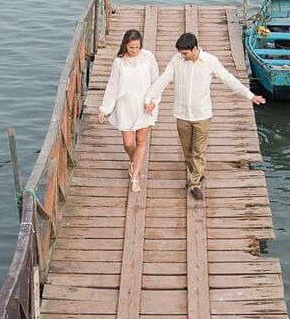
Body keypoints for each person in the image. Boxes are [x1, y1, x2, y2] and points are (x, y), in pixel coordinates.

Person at [143, 33, 265, 200]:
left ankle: (194, 183)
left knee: (199, 151)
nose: (182, 56)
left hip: (202, 115)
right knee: (187, 150)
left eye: (185, 53)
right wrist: (150, 99)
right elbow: (163, 80)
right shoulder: (176, 61)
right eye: (180, 53)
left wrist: (250, 96)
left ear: (194, 49)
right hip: (182, 113)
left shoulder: (210, 61)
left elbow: (228, 79)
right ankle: (197, 173)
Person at [97, 28, 159, 192]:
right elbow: (113, 85)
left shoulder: (148, 57)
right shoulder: (119, 61)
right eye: (131, 47)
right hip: (125, 105)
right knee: (128, 142)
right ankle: (134, 160)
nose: (134, 50)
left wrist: (153, 101)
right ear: (125, 45)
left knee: (141, 141)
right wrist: (104, 109)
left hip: (144, 105)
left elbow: (156, 81)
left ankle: (135, 176)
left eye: (137, 47)